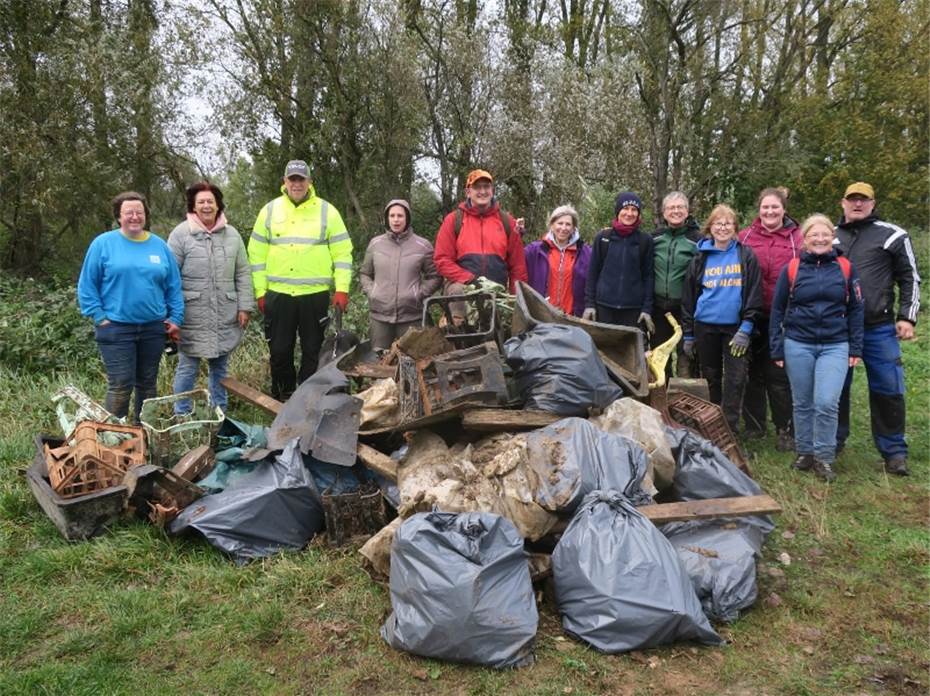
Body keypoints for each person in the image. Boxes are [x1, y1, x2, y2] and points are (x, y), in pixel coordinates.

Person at [769, 214, 864, 482]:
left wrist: (856, 347)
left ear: (832, 237)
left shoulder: (845, 267)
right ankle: (805, 452)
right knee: (802, 402)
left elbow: (856, 309)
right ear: (805, 239)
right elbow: (777, 310)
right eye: (814, 235)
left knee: (826, 402)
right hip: (798, 343)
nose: (820, 239)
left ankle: (824, 456)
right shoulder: (793, 268)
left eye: (825, 235)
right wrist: (777, 347)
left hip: (835, 344)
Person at [248, 160, 353, 400]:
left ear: (309, 182)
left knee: (313, 350)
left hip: (314, 296)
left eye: (301, 179)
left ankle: (307, 398)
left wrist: (342, 289)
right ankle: (283, 396)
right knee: (279, 349)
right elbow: (256, 254)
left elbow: (343, 253)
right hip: (278, 294)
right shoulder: (270, 210)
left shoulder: (328, 211)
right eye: (292, 179)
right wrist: (260, 291)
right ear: (284, 182)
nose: (297, 184)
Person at [834, 182, 920, 475]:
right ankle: (833, 443)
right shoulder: (827, 236)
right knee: (835, 389)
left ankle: (894, 450)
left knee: (888, 388)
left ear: (873, 203)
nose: (857, 204)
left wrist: (907, 316)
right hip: (838, 329)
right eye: (852, 200)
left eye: (863, 200)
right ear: (842, 203)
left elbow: (910, 277)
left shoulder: (892, 234)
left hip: (878, 328)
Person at [77, 191, 183, 422]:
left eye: (139, 212)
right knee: (121, 384)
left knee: (147, 384)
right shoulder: (103, 244)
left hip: (153, 328)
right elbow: (87, 286)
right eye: (128, 212)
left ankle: (144, 433)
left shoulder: (159, 246)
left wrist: (176, 318)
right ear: (118, 216)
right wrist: (99, 317)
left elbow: (173, 286)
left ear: (146, 215)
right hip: (116, 328)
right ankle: (115, 437)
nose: (134, 217)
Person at [167, 181, 254, 413]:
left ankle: (219, 413)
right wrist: (171, 315)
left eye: (210, 201)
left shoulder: (232, 235)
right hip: (191, 315)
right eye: (201, 202)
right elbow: (168, 276)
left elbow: (243, 271)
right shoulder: (180, 234)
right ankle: (182, 414)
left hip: (224, 313)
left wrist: (244, 306)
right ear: (193, 207)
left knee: (221, 367)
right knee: (187, 367)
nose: (206, 206)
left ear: (218, 205)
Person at [681, 204, 762, 434]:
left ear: (735, 228)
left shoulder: (745, 256)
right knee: (711, 377)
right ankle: (711, 427)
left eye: (728, 223)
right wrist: (688, 334)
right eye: (718, 223)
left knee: (736, 380)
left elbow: (754, 294)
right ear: (710, 228)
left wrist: (746, 328)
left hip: (735, 330)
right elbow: (689, 298)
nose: (723, 227)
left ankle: (730, 430)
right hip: (705, 328)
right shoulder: (700, 258)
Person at [738, 187, 802, 449]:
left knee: (779, 375)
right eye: (765, 207)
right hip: (751, 314)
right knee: (751, 373)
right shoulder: (745, 237)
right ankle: (754, 425)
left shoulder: (799, 238)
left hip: (786, 316)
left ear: (784, 209)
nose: (770, 211)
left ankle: (785, 428)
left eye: (775, 207)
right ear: (759, 209)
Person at [433, 169, 528, 305]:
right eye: (477, 187)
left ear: (492, 190)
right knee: (457, 293)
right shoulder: (453, 220)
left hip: (497, 292)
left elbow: (518, 266)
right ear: (468, 192)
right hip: (463, 289)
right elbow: (442, 260)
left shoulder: (508, 222)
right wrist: (471, 280)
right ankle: (454, 325)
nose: (482, 192)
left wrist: (518, 299)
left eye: (486, 187)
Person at [359, 199, 441, 350]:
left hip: (411, 317)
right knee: (380, 363)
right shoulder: (375, 244)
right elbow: (365, 273)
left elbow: (435, 276)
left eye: (400, 216)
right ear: (387, 218)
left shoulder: (423, 246)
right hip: (380, 318)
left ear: (407, 218)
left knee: (412, 363)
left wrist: (418, 293)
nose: (396, 220)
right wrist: (373, 292)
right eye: (392, 216)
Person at [583, 191, 655, 331]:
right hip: (603, 307)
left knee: (628, 352)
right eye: (625, 208)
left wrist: (646, 308)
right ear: (618, 211)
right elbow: (592, 273)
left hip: (633, 310)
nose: (629, 213)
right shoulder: (603, 237)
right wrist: (589, 304)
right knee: (603, 350)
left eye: (634, 210)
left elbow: (648, 276)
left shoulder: (645, 240)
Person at [651, 191, 702, 376]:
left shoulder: (697, 239)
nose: (676, 211)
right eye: (671, 208)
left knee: (686, 357)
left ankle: (686, 400)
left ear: (687, 212)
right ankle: (660, 398)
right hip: (659, 308)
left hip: (686, 309)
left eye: (680, 207)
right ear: (664, 213)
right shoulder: (654, 238)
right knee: (659, 357)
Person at [523, 204, 591, 317]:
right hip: (542, 314)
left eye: (568, 224)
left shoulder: (585, 253)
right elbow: (515, 258)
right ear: (552, 225)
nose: (563, 228)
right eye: (560, 223)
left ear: (574, 228)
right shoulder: (536, 250)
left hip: (572, 316)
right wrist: (516, 233)